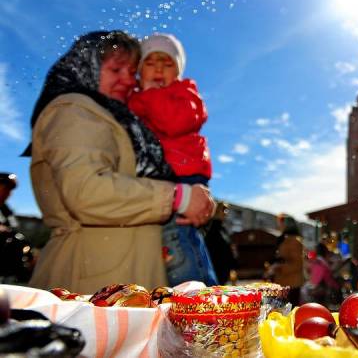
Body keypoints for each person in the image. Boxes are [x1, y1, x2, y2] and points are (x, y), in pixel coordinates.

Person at [25, 31, 215, 293]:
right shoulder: (75, 109)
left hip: (121, 278)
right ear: (87, 65)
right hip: (90, 284)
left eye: (132, 71)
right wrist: (179, 197)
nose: (128, 80)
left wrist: (195, 203)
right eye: (116, 70)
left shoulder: (119, 119)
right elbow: (86, 191)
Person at [128, 33, 217, 286]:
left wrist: (150, 94)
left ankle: (198, 298)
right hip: (161, 177)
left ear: (177, 71)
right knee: (166, 246)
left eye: (167, 64)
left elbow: (173, 123)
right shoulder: (135, 99)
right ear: (138, 70)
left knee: (178, 242)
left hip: (183, 175)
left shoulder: (184, 94)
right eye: (150, 62)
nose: (158, 69)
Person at [0, 172, 34, 283]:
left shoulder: (6, 211)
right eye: (5, 187)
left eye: (10, 190)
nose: (8, 192)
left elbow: (13, 230)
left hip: (7, 268)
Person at [268, 214, 305, 305]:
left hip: (291, 284)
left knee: (289, 312)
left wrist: (277, 267)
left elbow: (297, 264)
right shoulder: (286, 239)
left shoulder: (293, 241)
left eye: (281, 222)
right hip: (286, 283)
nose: (278, 225)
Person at [204, 202, 238, 284]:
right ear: (216, 210)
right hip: (216, 271)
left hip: (224, 270)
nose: (226, 213)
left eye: (226, 210)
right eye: (223, 209)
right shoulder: (211, 228)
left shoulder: (223, 229)